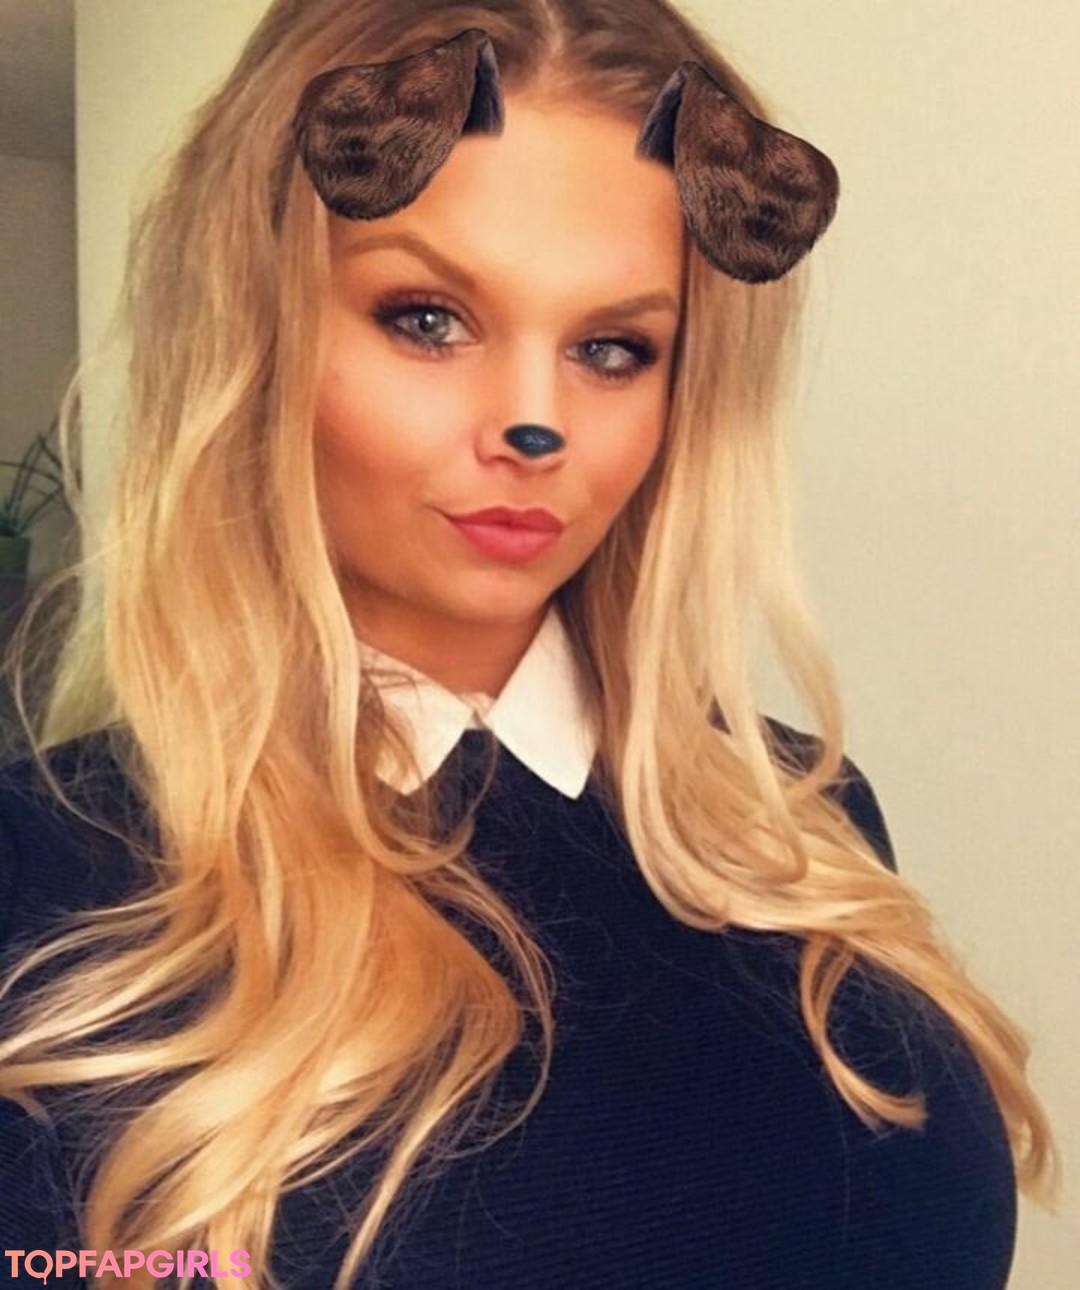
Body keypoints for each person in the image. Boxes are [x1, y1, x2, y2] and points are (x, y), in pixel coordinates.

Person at [0, 2, 1059, 1287]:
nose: (533, 426)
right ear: (258, 331)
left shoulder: (803, 822)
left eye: (613, 348)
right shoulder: (43, 870)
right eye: (428, 319)